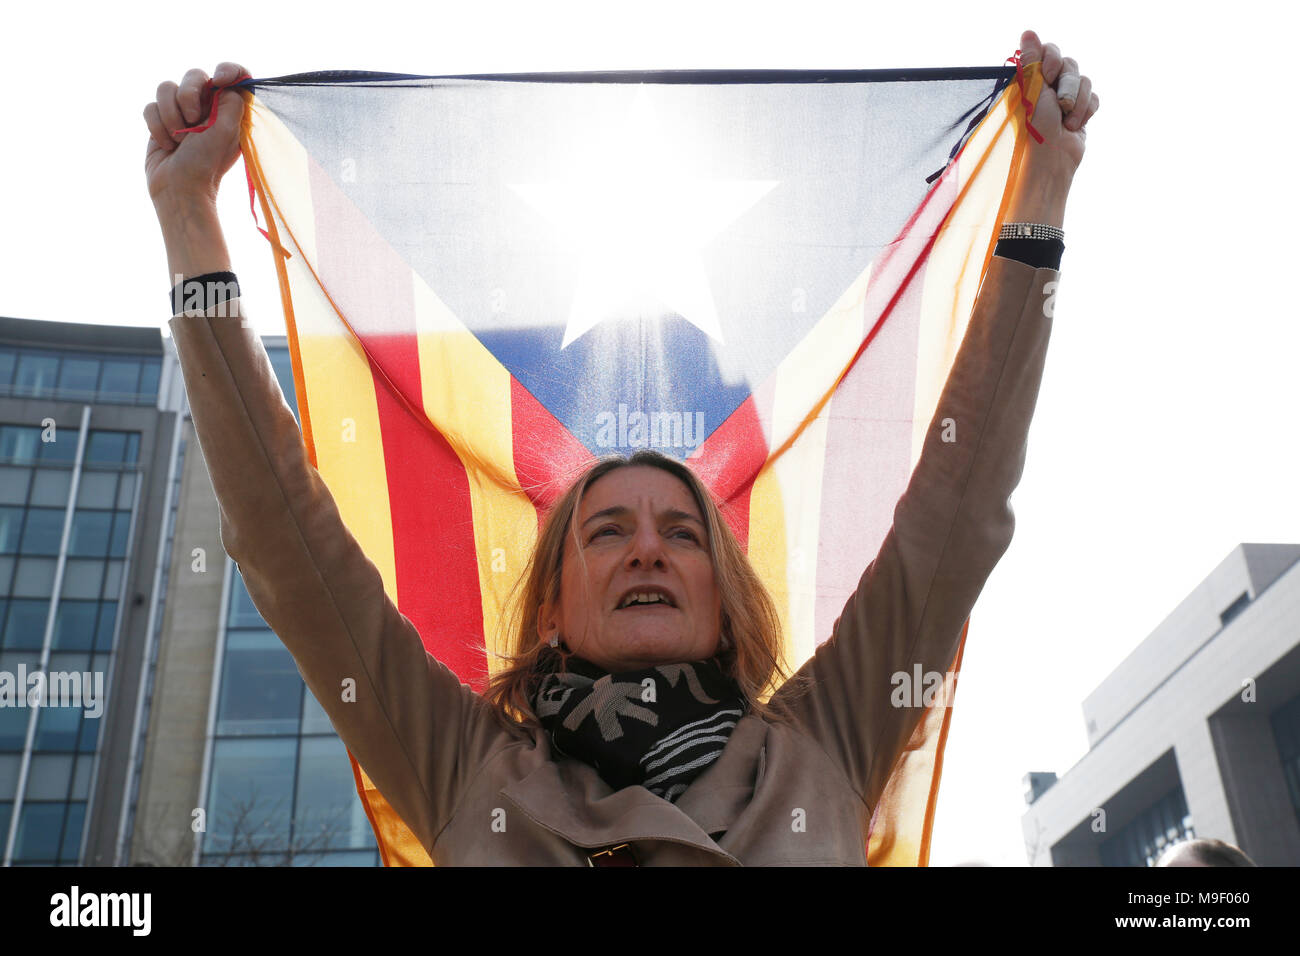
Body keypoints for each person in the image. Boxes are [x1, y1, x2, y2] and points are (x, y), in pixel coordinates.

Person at [144, 30, 1098, 865]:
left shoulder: (828, 741)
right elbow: (288, 543)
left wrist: (1043, 189)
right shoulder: (464, 767)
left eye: (684, 534)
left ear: (727, 603)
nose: (648, 548)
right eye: (606, 532)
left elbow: (957, 511)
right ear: (552, 605)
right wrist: (190, 218)